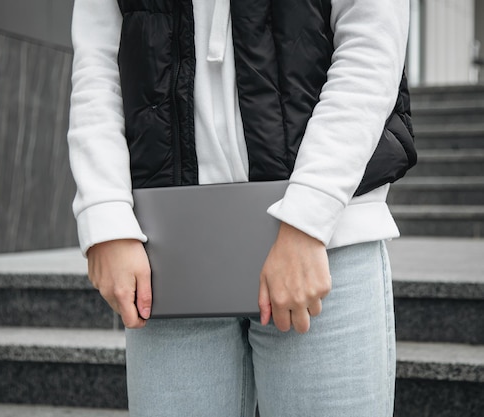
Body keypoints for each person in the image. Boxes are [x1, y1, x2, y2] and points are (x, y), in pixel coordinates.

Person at [67, 0, 416, 416]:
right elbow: (98, 63)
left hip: (323, 244)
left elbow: (370, 45)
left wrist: (308, 217)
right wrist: (105, 217)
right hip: (169, 253)